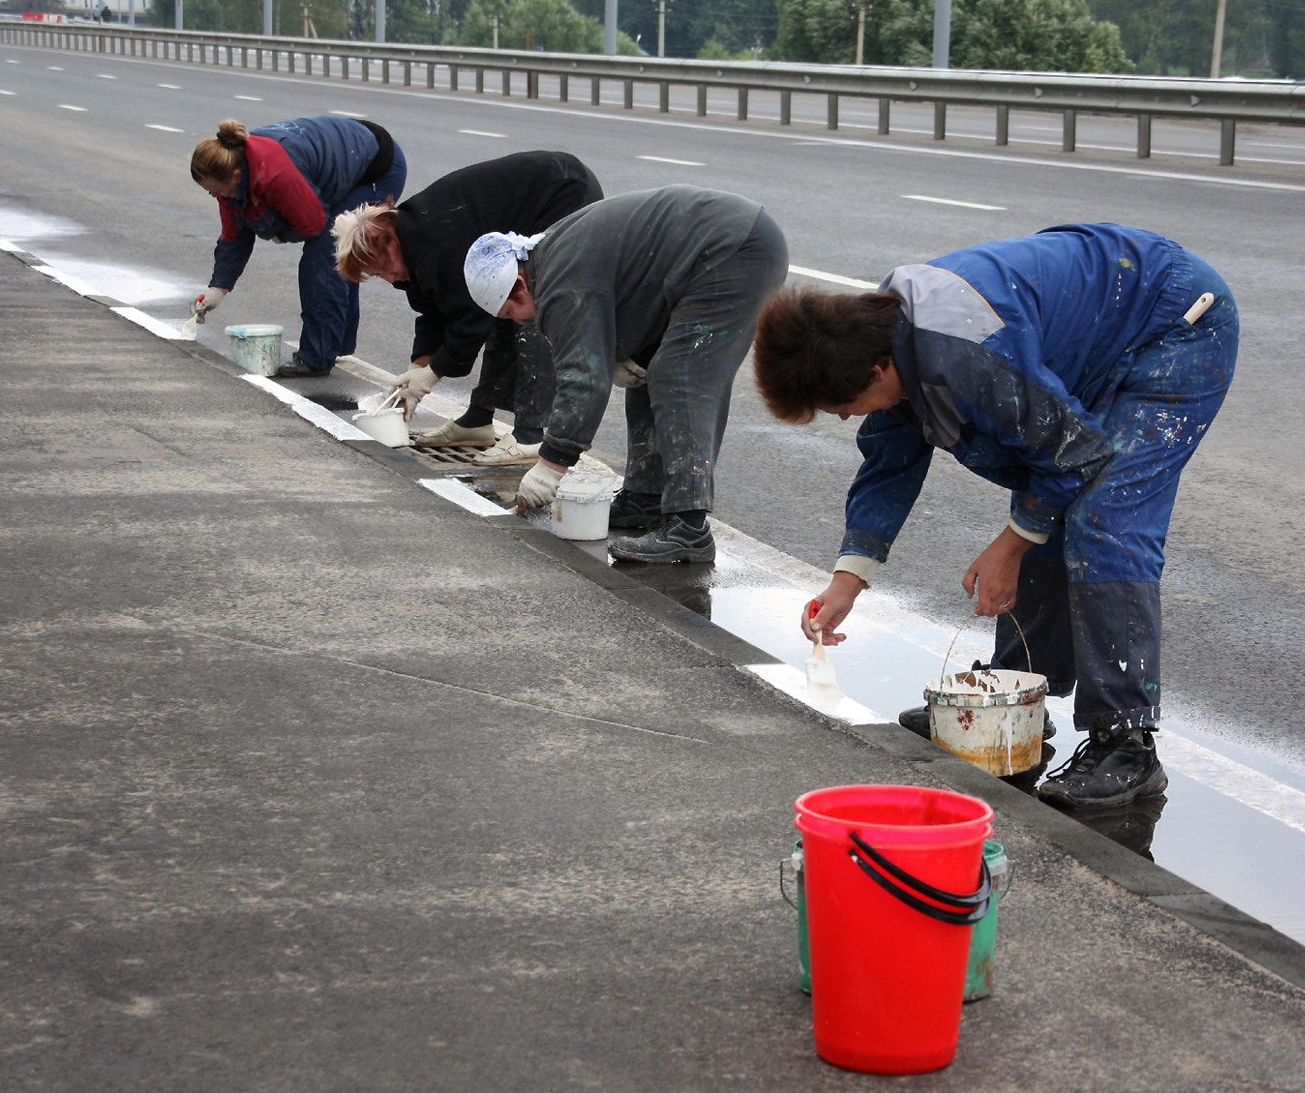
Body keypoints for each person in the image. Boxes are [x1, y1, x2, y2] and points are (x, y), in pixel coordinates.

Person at [751, 223, 1238, 810]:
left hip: (1175, 323)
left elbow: (1074, 453)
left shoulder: (968, 351)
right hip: (1106, 326)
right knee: (1052, 498)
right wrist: (846, 583)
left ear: (875, 372)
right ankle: (1012, 702)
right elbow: (888, 465)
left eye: (839, 406)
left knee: (1104, 515)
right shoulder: (879, 339)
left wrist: (1009, 547)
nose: (839, 417)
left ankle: (1127, 746)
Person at [463, 186, 789, 563]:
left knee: (680, 376)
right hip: (718, 246)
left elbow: (583, 381)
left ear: (519, 285)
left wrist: (549, 468)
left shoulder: (559, 281)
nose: (520, 322)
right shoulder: (551, 262)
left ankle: (689, 527)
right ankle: (646, 498)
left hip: (734, 250)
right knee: (648, 374)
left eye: (509, 313)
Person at [331, 151, 603, 466]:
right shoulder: (411, 246)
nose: (390, 278)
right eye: (380, 276)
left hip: (565, 192)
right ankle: (477, 420)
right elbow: (433, 313)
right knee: (500, 304)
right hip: (543, 192)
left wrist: (431, 376)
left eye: (384, 265)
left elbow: (470, 321)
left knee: (525, 303)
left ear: (390, 240)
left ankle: (531, 434)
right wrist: (415, 376)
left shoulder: (435, 245)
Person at [187, 117, 405, 377]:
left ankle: (318, 357)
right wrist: (218, 289)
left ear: (235, 176)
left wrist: (281, 233)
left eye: (214, 190)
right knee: (332, 252)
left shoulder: (275, 173)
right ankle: (338, 343)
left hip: (376, 169)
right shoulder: (231, 175)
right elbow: (234, 236)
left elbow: (313, 223)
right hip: (346, 157)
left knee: (324, 255)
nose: (214, 196)